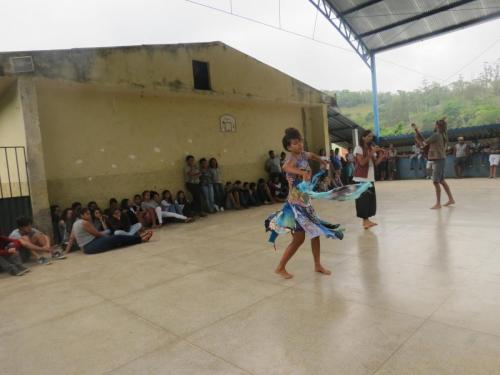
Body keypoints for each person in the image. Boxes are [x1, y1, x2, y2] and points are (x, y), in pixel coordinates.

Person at [266, 128, 369, 279]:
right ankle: (281, 267)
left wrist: (322, 161)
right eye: (295, 143)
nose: (300, 145)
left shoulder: (302, 154)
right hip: (296, 204)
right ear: (289, 147)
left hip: (304, 201)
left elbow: (312, 155)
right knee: (300, 239)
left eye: (300, 141)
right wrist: (301, 173)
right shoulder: (291, 158)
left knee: (315, 233)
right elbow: (285, 167)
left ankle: (317, 265)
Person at [65, 208, 152, 254]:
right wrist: (110, 237)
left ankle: (138, 238)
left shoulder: (75, 223)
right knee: (117, 238)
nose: (89, 215)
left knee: (117, 241)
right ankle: (140, 239)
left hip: (86, 248)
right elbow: (97, 234)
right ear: (82, 215)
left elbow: (71, 238)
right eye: (87, 214)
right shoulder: (84, 223)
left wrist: (66, 252)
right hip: (91, 246)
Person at [416, 119, 455, 209]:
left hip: (439, 160)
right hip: (440, 160)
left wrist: (418, 139)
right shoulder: (440, 135)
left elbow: (423, 144)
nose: (434, 125)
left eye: (435, 124)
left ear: (438, 126)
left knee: (435, 181)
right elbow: (426, 142)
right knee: (441, 181)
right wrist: (418, 134)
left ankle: (438, 203)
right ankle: (451, 199)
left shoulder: (436, 135)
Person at [353, 130, 386, 229]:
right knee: (363, 201)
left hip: (369, 178)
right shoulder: (358, 148)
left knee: (370, 201)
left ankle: (367, 221)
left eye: (371, 136)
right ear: (363, 137)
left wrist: (382, 155)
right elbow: (362, 162)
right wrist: (372, 152)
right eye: (368, 136)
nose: (370, 138)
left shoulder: (371, 148)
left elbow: (375, 163)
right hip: (361, 179)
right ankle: (365, 222)